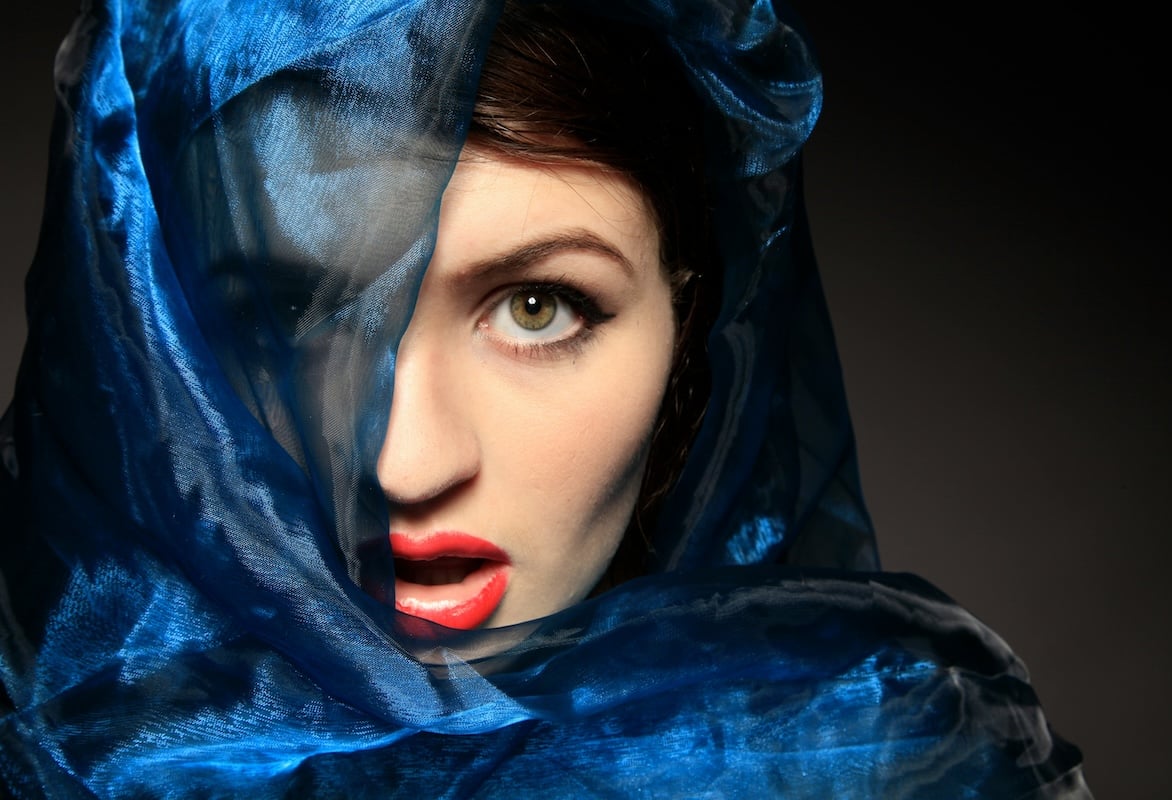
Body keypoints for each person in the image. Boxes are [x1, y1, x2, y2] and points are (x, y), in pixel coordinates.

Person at [0, 0, 1090, 797]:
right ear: (147, 343)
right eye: (295, 317)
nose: (407, 464)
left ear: (690, 341)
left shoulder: (895, 765)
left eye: (537, 305)